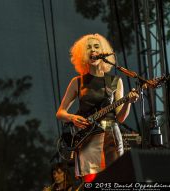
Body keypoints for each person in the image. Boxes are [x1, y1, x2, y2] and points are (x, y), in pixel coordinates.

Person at [56, 33, 139, 182]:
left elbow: (119, 118)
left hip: (110, 134)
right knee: (91, 182)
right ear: (83, 54)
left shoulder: (114, 81)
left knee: (114, 180)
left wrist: (128, 102)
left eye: (96, 47)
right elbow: (60, 112)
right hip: (86, 137)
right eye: (88, 47)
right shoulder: (77, 82)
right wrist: (72, 118)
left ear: (102, 52)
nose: (93, 50)